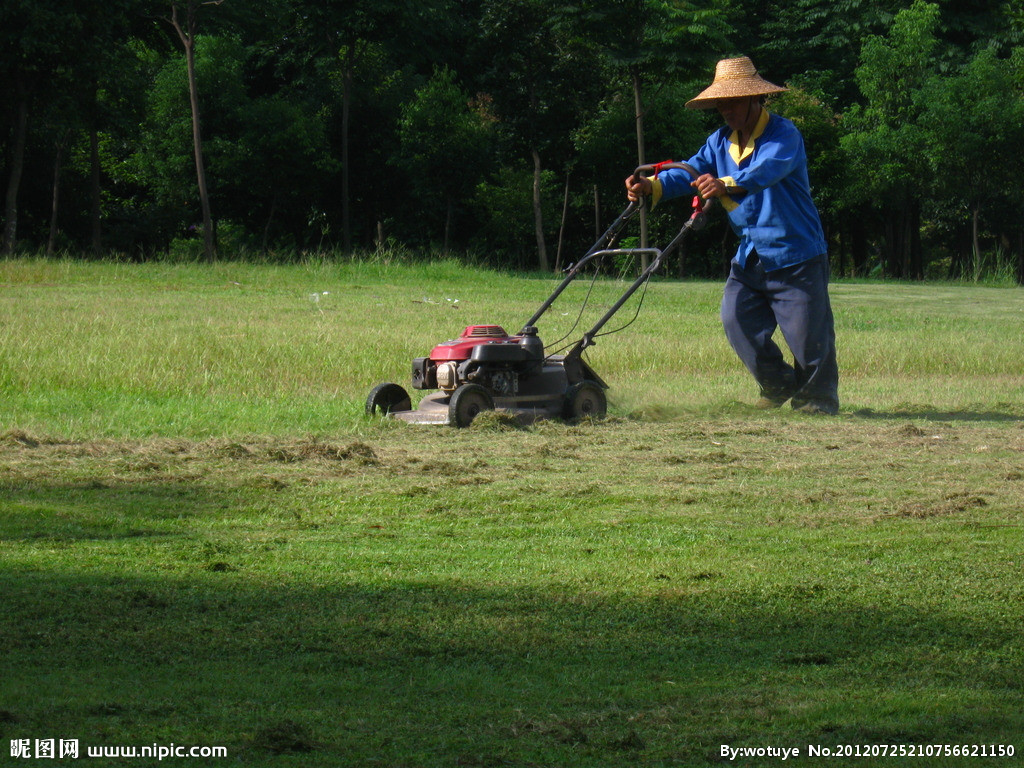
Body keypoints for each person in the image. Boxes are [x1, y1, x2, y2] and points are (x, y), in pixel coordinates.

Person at [626, 56, 839, 414]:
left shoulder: (784, 135)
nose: (726, 109)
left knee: (807, 337)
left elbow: (765, 171)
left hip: (796, 253)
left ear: (757, 99)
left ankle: (817, 399)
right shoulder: (719, 142)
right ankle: (778, 383)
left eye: (734, 101)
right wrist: (651, 185)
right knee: (736, 318)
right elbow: (690, 172)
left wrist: (723, 183)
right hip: (751, 254)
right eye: (721, 103)